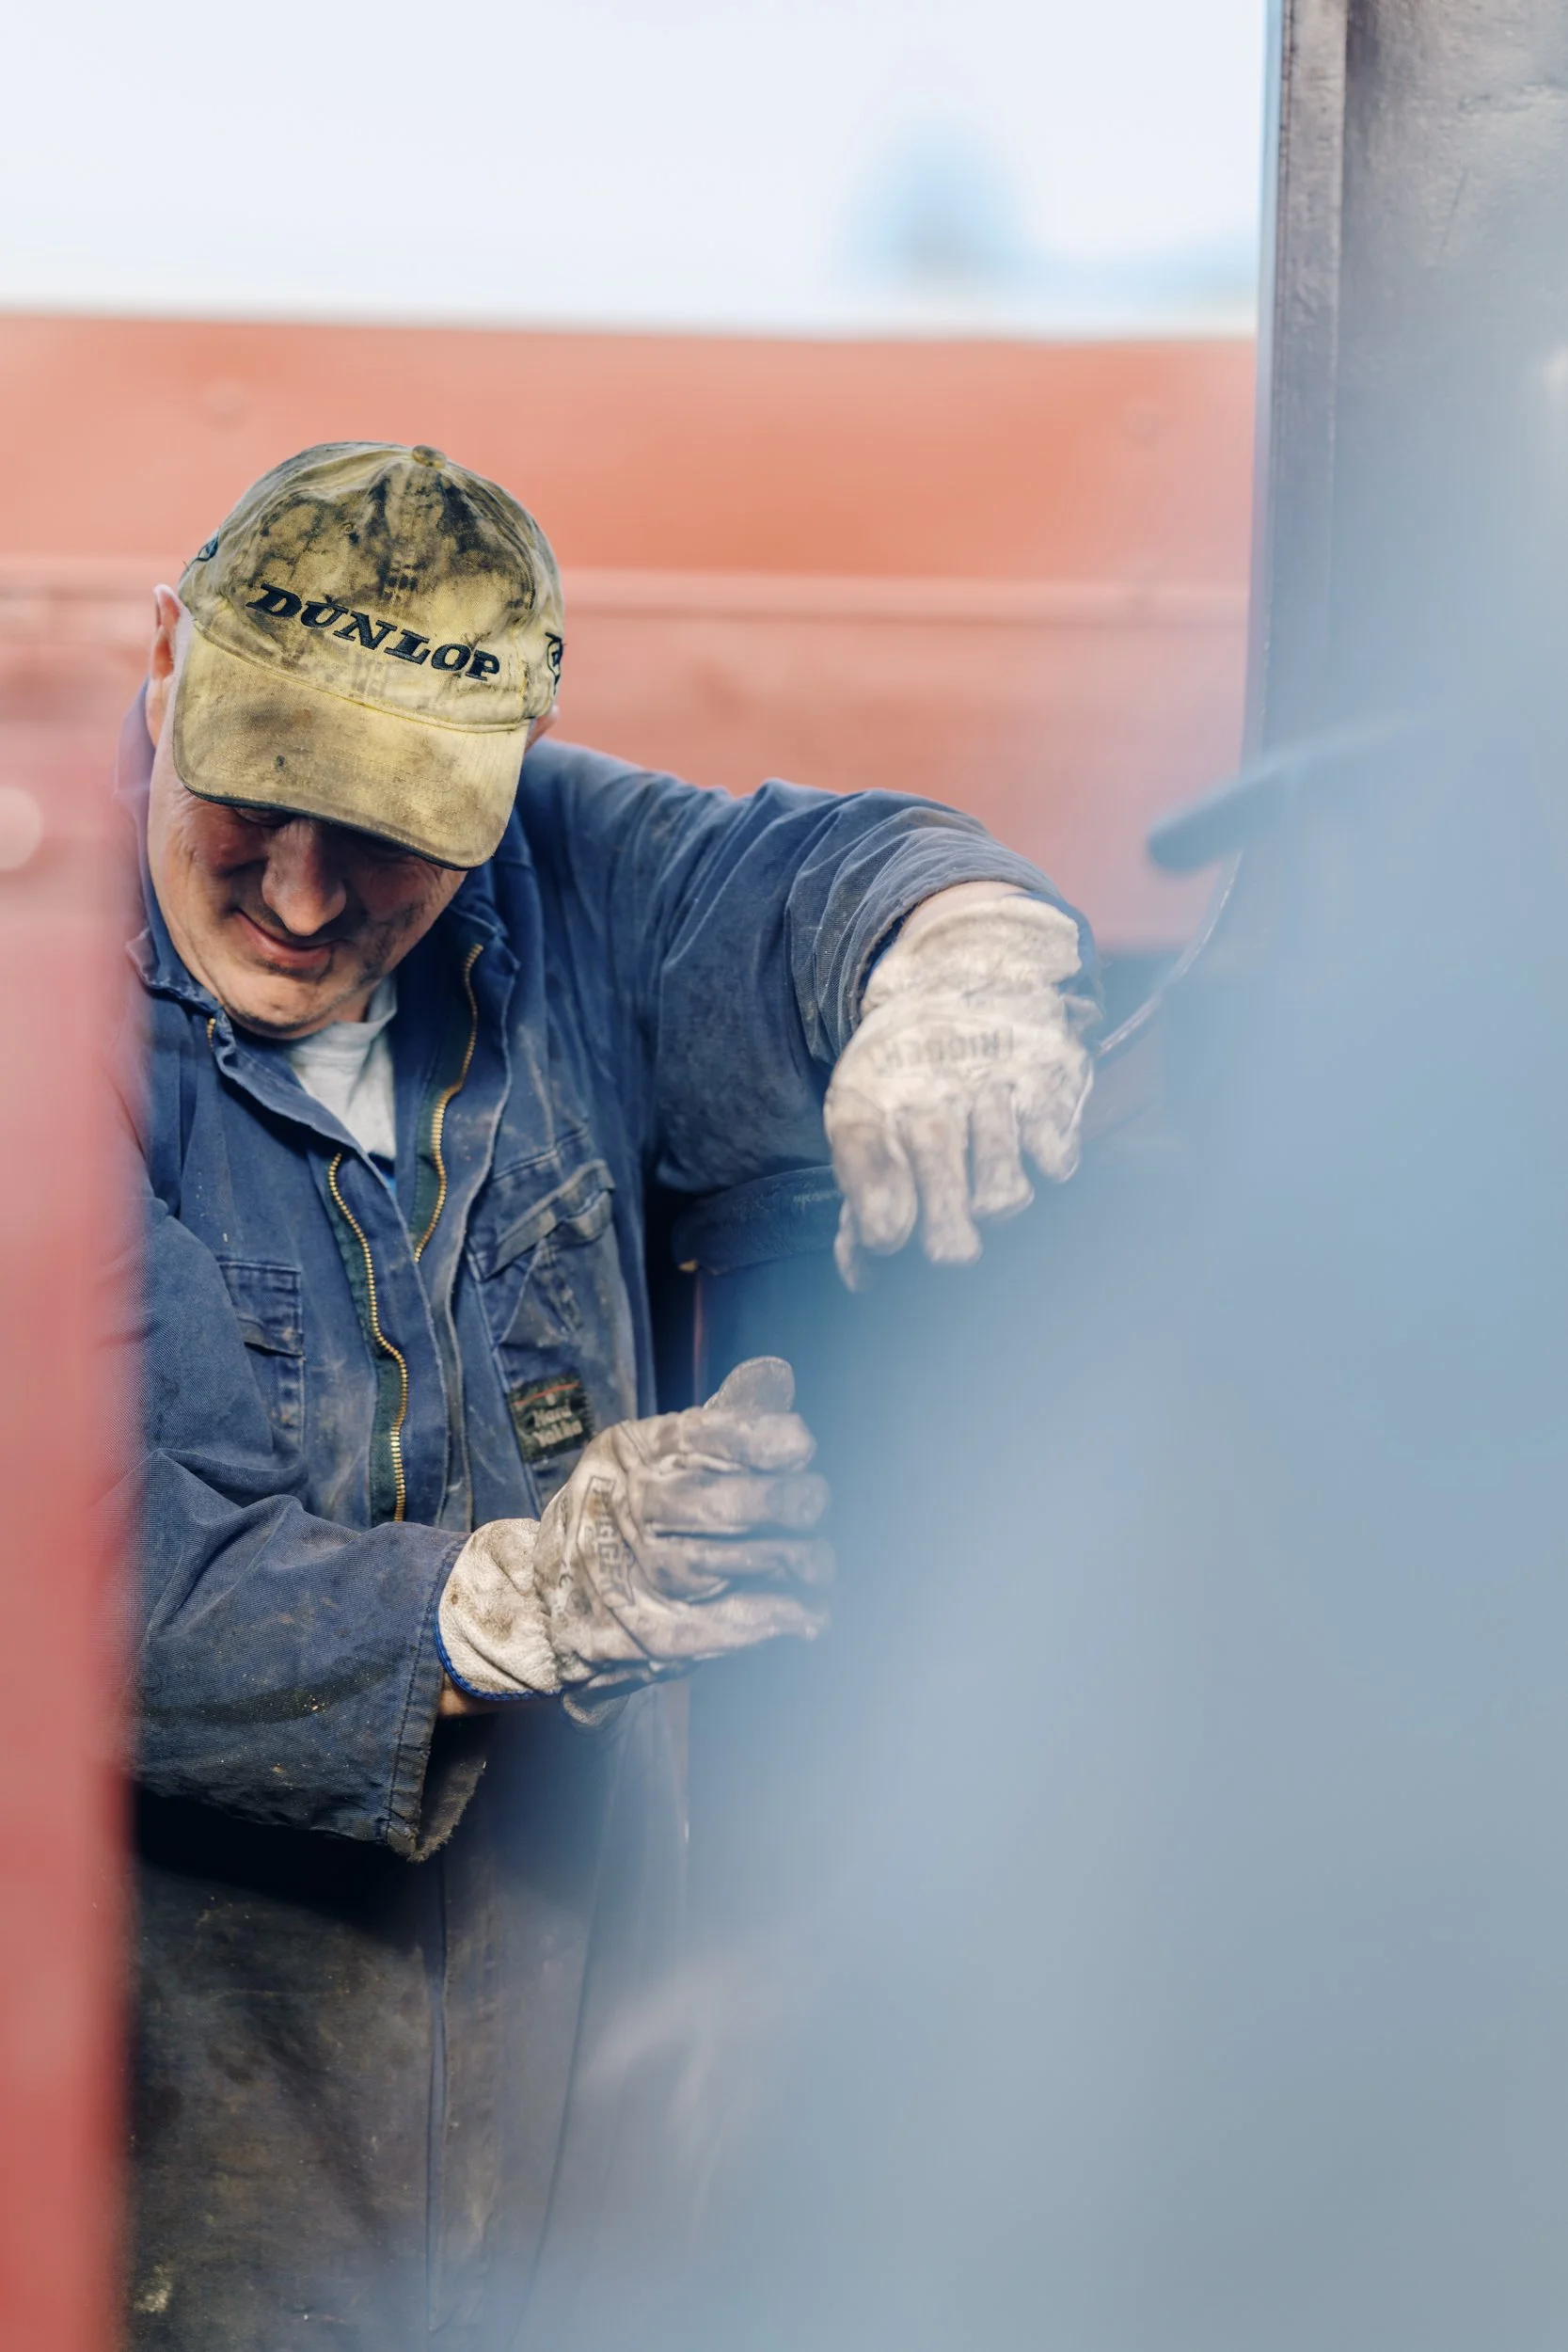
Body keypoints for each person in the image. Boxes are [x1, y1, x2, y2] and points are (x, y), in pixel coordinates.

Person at [117, 440, 1097, 2351]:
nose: (301, 891)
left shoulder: (565, 881)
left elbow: (823, 874)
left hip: (564, 2067)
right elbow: (71, 1582)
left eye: (385, 834)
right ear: (165, 659)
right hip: (177, 2101)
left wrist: (960, 958)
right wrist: (518, 1601)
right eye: (252, 797)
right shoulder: (39, 991)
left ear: (504, 780)